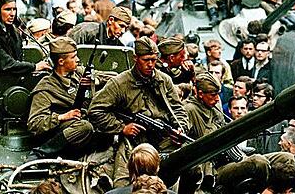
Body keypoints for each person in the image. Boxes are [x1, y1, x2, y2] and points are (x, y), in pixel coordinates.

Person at [88, 36, 190, 188]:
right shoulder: (119, 83)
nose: (150, 64)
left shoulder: (164, 80)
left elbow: (177, 109)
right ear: (135, 58)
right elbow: (95, 110)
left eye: (154, 60)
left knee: (188, 169)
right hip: (134, 141)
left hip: (163, 138)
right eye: (146, 60)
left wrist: (180, 127)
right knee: (123, 184)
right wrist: (122, 127)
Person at [27, 37, 95, 157]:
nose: (78, 60)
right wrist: (61, 117)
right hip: (57, 133)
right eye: (73, 57)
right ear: (61, 61)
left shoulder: (78, 73)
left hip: (77, 124)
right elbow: (34, 124)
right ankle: (41, 153)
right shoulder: (46, 88)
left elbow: (107, 76)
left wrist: (95, 81)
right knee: (84, 127)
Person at [181, 71, 227, 192]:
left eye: (218, 94)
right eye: (213, 95)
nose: (217, 99)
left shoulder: (215, 107)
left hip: (218, 161)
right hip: (199, 168)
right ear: (200, 94)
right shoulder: (189, 109)